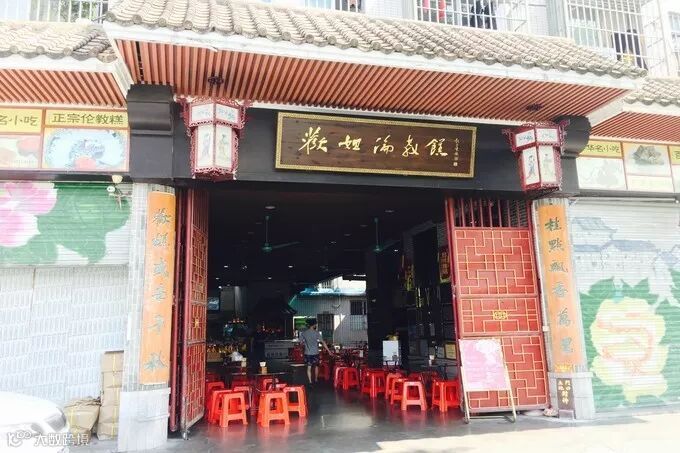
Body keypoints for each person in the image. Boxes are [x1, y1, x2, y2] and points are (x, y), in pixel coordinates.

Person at [298, 319, 332, 384]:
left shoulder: (304, 333)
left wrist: (305, 343)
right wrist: (329, 351)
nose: (316, 325)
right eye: (315, 324)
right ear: (313, 325)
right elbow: (323, 342)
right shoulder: (316, 333)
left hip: (308, 353)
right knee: (316, 366)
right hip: (316, 353)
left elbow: (300, 343)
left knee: (309, 367)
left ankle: (310, 381)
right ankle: (316, 379)